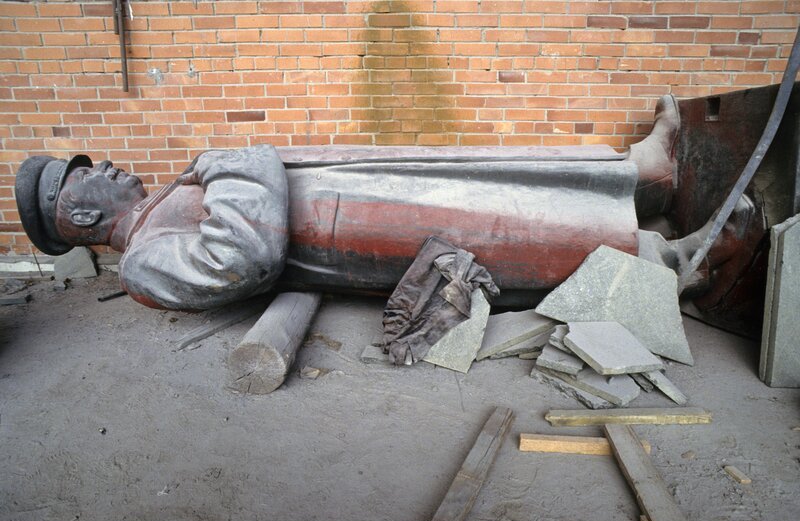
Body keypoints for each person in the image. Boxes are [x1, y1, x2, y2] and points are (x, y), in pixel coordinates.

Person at [13, 95, 758, 313]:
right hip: (353, 233)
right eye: (83, 174)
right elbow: (241, 256)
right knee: (514, 231)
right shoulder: (145, 266)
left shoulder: (168, 198)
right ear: (76, 218)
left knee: (496, 174)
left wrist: (235, 171)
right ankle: (674, 261)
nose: (103, 164)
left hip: (354, 189)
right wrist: (239, 165)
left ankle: (641, 175)